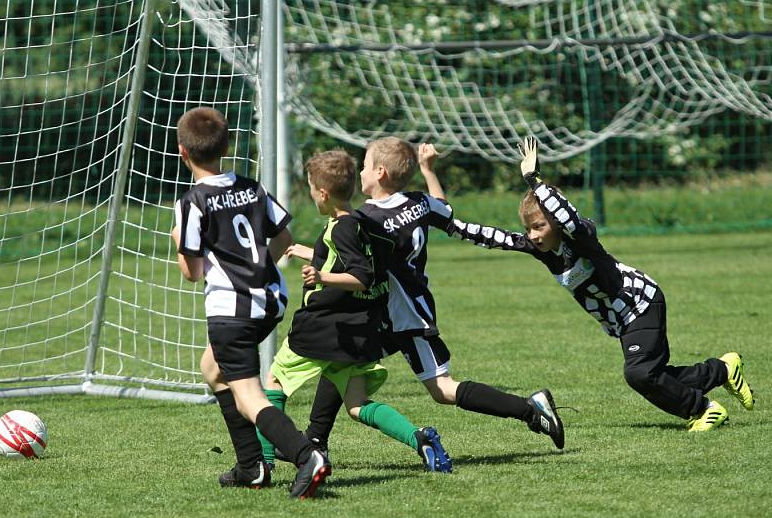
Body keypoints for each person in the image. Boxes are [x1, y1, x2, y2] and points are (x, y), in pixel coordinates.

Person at [449, 136, 753, 431]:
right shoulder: (542, 251)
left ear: (554, 224)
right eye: (529, 229)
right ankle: (723, 369)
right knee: (653, 375)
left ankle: (703, 410)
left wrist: (533, 180)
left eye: (540, 226)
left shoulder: (582, 237)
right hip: (622, 320)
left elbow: (567, 216)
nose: (533, 235)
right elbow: (493, 237)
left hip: (640, 303)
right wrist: (447, 224)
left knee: (638, 373)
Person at [301, 137, 564, 457]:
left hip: (407, 315)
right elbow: (448, 212)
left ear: (380, 172)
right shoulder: (419, 203)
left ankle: (531, 410)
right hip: (396, 310)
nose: (361, 172)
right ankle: (316, 440)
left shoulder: (368, 219)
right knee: (343, 356)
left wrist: (312, 258)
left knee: (442, 390)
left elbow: (356, 263)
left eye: (366, 165)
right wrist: (429, 171)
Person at [171, 106, 330, 499]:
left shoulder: (192, 202)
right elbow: (282, 239)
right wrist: (256, 270)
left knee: (249, 395)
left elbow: (191, 272)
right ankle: (251, 466)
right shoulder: (252, 187)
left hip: (232, 312)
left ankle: (305, 455)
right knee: (212, 368)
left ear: (182, 152)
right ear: (227, 147)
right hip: (271, 300)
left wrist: (177, 239)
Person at [265, 148, 453, 473]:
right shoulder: (366, 222)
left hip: (326, 326)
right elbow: (365, 263)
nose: (310, 195)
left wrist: (321, 275)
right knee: (355, 406)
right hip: (360, 329)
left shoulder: (340, 228)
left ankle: (263, 463)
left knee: (274, 382)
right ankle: (419, 438)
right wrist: (312, 254)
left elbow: (360, 276)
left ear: (322, 193)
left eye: (311, 189)